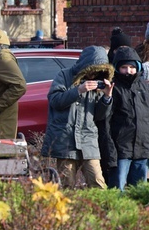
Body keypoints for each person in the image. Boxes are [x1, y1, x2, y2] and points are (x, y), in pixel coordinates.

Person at [40, 46, 113, 189]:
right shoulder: (64, 75)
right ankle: (70, 211)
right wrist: (79, 90)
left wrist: (106, 97)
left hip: (88, 140)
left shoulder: (99, 83)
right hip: (65, 140)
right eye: (92, 70)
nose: (94, 75)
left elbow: (99, 116)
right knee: (67, 185)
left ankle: (103, 210)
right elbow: (55, 101)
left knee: (98, 182)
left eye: (98, 71)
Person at [104, 47, 149, 190]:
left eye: (132, 67)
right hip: (121, 149)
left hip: (142, 149)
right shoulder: (113, 87)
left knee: (139, 191)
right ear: (117, 67)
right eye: (124, 67)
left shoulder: (143, 86)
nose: (128, 71)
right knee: (118, 190)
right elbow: (105, 119)